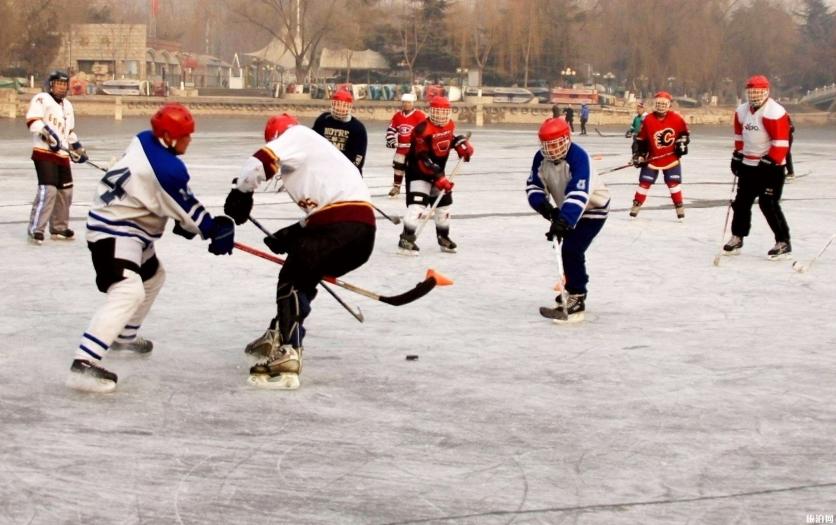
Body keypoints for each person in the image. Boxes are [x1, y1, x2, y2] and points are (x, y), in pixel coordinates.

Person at [66, 103, 236, 393]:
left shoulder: (146, 139)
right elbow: (185, 205)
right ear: (168, 137)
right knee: (128, 291)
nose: (189, 140)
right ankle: (84, 362)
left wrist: (183, 221)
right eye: (185, 136)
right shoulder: (167, 168)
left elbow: (155, 196)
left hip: (131, 228)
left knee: (154, 277)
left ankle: (124, 336)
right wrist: (211, 229)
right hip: (114, 231)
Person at [223, 114, 376, 390]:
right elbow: (324, 207)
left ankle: (289, 353)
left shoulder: (298, 135)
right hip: (360, 235)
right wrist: (292, 233)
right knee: (303, 276)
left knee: (292, 279)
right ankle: (277, 332)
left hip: (341, 226)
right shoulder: (319, 155)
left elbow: (258, 162)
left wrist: (241, 192)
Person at [528, 117, 610, 323]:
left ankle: (578, 296)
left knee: (572, 249)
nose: (553, 150)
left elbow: (578, 194)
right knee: (567, 250)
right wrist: (547, 209)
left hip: (593, 209)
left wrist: (564, 221)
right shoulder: (540, 159)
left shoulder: (579, 157)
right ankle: (573, 288)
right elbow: (534, 187)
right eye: (548, 145)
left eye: (557, 144)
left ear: (567, 139)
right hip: (568, 209)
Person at [724, 75, 793, 260]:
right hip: (748, 165)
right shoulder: (741, 111)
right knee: (741, 203)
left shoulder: (775, 112)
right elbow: (739, 137)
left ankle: (783, 241)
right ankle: (737, 236)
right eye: (751, 92)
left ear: (766, 92)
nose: (754, 95)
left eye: (758, 92)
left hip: (772, 167)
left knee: (768, 204)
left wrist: (770, 161)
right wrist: (737, 155)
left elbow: (781, 142)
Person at [397, 96, 473, 254]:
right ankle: (406, 239)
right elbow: (422, 157)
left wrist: (460, 144)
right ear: (431, 111)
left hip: (438, 172)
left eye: (444, 112)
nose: (440, 115)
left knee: (444, 207)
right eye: (437, 112)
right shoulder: (421, 129)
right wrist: (438, 177)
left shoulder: (450, 124)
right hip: (418, 172)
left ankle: (443, 237)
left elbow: (447, 139)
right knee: (417, 207)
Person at [25, 69, 87, 245]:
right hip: (44, 153)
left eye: (63, 85)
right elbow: (33, 121)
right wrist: (48, 136)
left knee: (65, 192)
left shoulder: (67, 106)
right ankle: (36, 228)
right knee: (48, 190)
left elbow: (69, 132)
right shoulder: (41, 99)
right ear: (51, 85)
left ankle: (59, 227)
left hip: (62, 155)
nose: (61, 88)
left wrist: (77, 148)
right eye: (58, 84)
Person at [628, 91, 690, 221]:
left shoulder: (677, 119)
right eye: (659, 103)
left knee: (673, 183)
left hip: (671, 158)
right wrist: (639, 155)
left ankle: (679, 206)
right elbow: (641, 140)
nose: (661, 106)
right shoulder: (648, 119)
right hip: (653, 158)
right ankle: (636, 205)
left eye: (664, 104)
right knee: (644, 182)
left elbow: (684, 134)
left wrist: (682, 144)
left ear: (669, 105)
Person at [312, 89, 368, 174]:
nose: (340, 108)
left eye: (344, 105)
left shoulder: (358, 128)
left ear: (349, 107)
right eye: (338, 105)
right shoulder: (323, 120)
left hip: (347, 173)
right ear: (332, 104)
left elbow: (359, 156)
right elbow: (312, 142)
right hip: (324, 171)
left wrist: (348, 171)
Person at [386, 93, 427, 198]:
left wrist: (421, 144)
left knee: (415, 169)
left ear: (412, 103)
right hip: (401, 148)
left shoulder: (419, 115)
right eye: (404, 102)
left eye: (408, 102)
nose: (406, 104)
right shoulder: (398, 116)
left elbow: (425, 131)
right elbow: (391, 129)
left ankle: (415, 188)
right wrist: (391, 139)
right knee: (398, 167)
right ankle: (396, 187)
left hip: (414, 149)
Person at [784, 114, 796, 182]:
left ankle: (790, 173)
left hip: (786, 138)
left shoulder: (783, 115)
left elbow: (792, 128)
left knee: (786, 154)